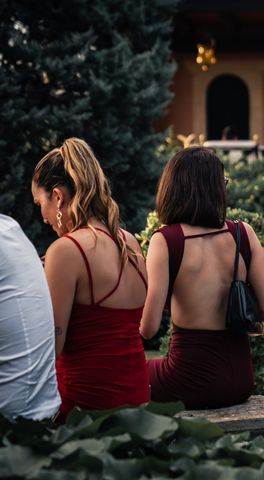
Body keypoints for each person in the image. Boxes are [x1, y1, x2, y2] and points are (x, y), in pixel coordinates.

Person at [140, 146, 264, 409]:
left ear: (173, 189)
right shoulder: (243, 233)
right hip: (239, 381)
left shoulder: (166, 240)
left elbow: (148, 328)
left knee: (124, 374)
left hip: (189, 380)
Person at [31, 138, 149, 422]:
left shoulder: (65, 251)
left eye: (40, 203)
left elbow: (50, 349)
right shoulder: (129, 242)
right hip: (138, 401)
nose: (44, 218)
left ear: (58, 197)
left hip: (85, 409)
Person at [0, 215, 60, 420]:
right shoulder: (10, 228)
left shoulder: (64, 251)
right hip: (46, 403)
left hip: (13, 419)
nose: (43, 218)